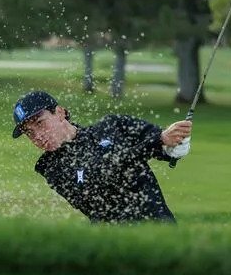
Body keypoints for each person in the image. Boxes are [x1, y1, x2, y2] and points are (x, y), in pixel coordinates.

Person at [12, 90, 192, 223]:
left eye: (40, 123)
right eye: (29, 132)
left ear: (59, 113)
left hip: (162, 231)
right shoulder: (52, 168)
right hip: (114, 244)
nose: (37, 135)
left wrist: (174, 147)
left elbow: (159, 140)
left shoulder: (113, 126)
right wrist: (158, 141)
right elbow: (100, 175)